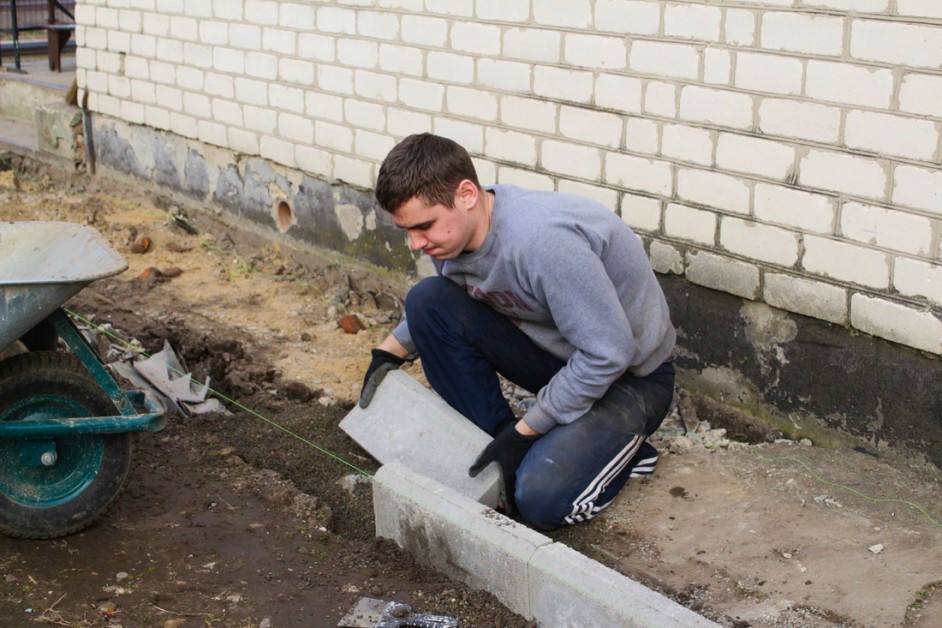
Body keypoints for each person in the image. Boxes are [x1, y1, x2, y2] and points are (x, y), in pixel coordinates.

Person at [359, 133, 676, 531]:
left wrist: (527, 432)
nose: (416, 244)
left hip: (631, 380)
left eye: (424, 227)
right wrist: (390, 351)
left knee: (540, 501)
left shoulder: (541, 243)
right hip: (561, 361)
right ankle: (499, 451)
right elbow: (445, 302)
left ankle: (625, 456)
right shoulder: (455, 238)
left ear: (467, 194)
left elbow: (608, 353)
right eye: (406, 231)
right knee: (426, 300)